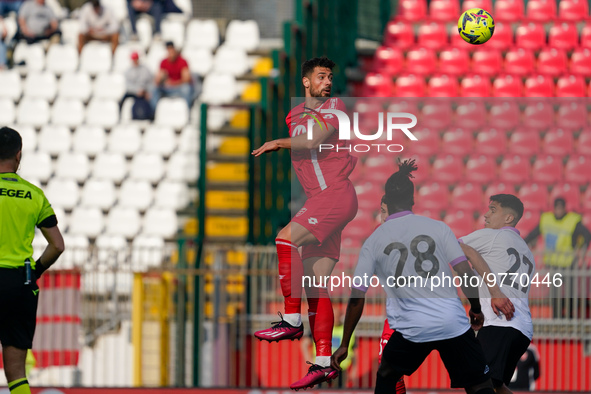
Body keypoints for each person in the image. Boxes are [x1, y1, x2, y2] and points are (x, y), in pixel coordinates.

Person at [331, 159, 515, 394]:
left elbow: (357, 297)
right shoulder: (438, 228)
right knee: (480, 384)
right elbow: (465, 273)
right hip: (452, 323)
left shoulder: (374, 241)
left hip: (411, 328)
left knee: (387, 373)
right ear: (412, 200)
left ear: (386, 201)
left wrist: (345, 343)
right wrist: (476, 309)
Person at [251, 56, 359, 390]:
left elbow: (312, 143)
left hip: (335, 195)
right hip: (321, 200)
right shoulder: (294, 114)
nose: (328, 82)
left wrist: (278, 142)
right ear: (306, 82)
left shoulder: (337, 107)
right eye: (322, 76)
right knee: (316, 283)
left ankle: (291, 320)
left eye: (330, 76)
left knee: (284, 240)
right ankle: (324, 362)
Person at [0, 127, 65, 394]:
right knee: (16, 373)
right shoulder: (34, 194)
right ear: (18, 155)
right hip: (18, 283)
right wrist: (35, 271)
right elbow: (57, 245)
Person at [459, 195, 535, 394]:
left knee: (478, 383)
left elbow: (454, 248)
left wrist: (494, 291)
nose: (486, 214)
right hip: (521, 329)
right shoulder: (527, 251)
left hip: (500, 323)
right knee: (495, 385)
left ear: (508, 218)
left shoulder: (492, 236)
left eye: (493, 210)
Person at [524, 197, 591, 269]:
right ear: (554, 208)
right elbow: (532, 235)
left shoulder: (572, 221)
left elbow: (587, 234)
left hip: (568, 262)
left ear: (564, 208)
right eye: (558, 208)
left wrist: (582, 249)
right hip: (552, 262)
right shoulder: (546, 220)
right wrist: (522, 243)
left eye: (561, 208)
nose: (559, 210)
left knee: (568, 280)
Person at [301, 307, 355, 388]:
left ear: (341, 316)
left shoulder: (346, 330)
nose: (335, 318)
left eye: (337, 316)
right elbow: (304, 343)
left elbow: (354, 352)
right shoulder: (319, 328)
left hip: (340, 368)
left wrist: (354, 371)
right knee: (321, 390)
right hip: (321, 367)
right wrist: (309, 361)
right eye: (333, 316)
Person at [150, 41, 192, 109]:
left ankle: (187, 110)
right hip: (167, 88)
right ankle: (154, 112)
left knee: (186, 89)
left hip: (179, 87)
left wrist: (174, 83)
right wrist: (162, 79)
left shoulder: (182, 61)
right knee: (154, 89)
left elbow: (186, 79)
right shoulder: (164, 62)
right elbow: (157, 80)